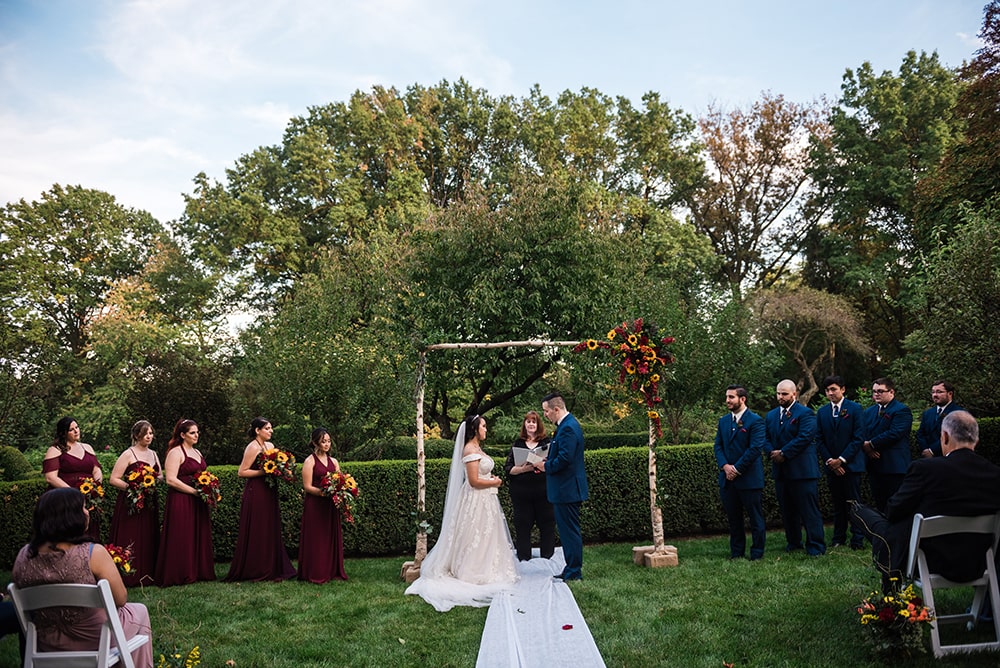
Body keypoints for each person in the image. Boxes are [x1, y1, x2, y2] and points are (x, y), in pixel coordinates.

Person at [851, 411, 1000, 591]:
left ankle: (891, 593)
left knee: (864, 514)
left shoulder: (926, 469)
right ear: (976, 440)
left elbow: (893, 510)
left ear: (944, 437)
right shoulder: (994, 474)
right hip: (979, 562)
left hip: (929, 560)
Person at [12, 488, 153, 668]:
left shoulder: (23, 556)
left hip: (47, 643)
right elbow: (120, 598)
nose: (87, 512)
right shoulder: (92, 553)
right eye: (84, 508)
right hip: (96, 639)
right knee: (139, 611)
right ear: (72, 517)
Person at [405, 414, 519, 611]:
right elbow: (474, 481)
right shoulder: (469, 449)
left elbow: (480, 474)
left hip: (487, 499)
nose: (486, 429)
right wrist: (494, 482)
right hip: (476, 499)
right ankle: (472, 571)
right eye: (484, 426)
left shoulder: (478, 449)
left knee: (487, 536)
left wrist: (491, 478)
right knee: (475, 535)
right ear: (475, 429)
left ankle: (489, 565)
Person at [225, 417, 296, 582]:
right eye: (267, 428)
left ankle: (272, 566)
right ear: (257, 430)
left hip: (269, 490)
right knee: (258, 527)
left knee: (270, 526)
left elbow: (279, 465)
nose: (271, 431)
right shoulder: (252, 447)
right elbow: (242, 472)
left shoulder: (270, 446)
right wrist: (264, 472)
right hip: (256, 491)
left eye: (271, 428)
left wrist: (284, 470)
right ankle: (256, 568)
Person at [765, 379, 824, 556]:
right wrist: (771, 452)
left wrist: (783, 452)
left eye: (784, 393)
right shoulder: (772, 415)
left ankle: (816, 546)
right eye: (778, 393)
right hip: (781, 472)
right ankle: (793, 543)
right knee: (788, 511)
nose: (780, 397)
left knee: (809, 511)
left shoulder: (805, 414)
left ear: (794, 394)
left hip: (802, 471)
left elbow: (805, 437)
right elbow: (764, 438)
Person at [154, 419, 215, 586]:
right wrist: (195, 492)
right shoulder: (175, 453)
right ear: (182, 435)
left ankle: (198, 570)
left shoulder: (197, 453)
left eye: (197, 432)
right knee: (182, 535)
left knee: (197, 533)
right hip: (181, 499)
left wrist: (207, 488)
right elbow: (171, 480)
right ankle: (180, 573)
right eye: (192, 433)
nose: (196, 435)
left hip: (198, 501)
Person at [713, 385, 766, 560]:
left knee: (755, 518)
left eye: (731, 397)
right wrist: (725, 466)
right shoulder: (723, 421)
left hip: (749, 479)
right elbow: (718, 446)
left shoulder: (756, 421)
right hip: (728, 479)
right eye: (727, 397)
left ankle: (757, 553)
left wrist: (736, 469)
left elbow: (755, 449)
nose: (727, 400)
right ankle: (737, 552)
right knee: (734, 519)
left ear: (742, 399)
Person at [539, 392, 589, 581]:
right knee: (568, 531)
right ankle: (571, 568)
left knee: (570, 532)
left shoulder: (568, 427)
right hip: (565, 489)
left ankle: (574, 571)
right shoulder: (566, 426)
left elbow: (565, 459)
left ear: (556, 409)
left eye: (546, 411)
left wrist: (545, 466)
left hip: (567, 489)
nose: (545, 415)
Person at [108, 420, 163, 586]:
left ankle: (149, 572)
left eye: (151, 433)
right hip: (130, 503)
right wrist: (133, 489)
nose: (149, 436)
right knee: (131, 534)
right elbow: (113, 479)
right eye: (145, 433)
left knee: (148, 534)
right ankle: (128, 573)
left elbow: (160, 475)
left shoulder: (153, 454)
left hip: (149, 502)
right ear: (136, 435)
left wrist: (152, 482)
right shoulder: (128, 454)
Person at [816, 376, 866, 550]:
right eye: (828, 390)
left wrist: (842, 460)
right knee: (837, 504)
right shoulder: (822, 412)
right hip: (831, 466)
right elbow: (819, 439)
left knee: (854, 504)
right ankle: (838, 538)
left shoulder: (855, 409)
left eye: (834, 389)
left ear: (843, 389)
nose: (831, 393)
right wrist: (831, 461)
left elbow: (858, 437)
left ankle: (858, 539)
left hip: (851, 466)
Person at [297, 428, 348, 583]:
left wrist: (340, 492)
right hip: (315, 505)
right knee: (317, 538)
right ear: (315, 442)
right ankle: (316, 571)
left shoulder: (334, 462)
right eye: (323, 441)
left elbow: (339, 480)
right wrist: (323, 493)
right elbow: (307, 486)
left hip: (331, 506)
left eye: (328, 441)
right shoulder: (309, 461)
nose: (327, 444)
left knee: (330, 536)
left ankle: (332, 570)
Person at [504, 410, 556, 561]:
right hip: (522, 492)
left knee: (547, 524)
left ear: (538, 424)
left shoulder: (546, 443)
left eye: (534, 421)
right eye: (528, 421)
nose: (531, 424)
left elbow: (552, 463)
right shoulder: (518, 444)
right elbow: (509, 469)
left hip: (543, 491)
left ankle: (547, 557)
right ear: (524, 425)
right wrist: (525, 468)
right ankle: (523, 557)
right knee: (522, 524)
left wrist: (540, 464)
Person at [42, 417, 104, 542]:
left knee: (89, 535)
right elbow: (50, 477)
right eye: (71, 429)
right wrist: (74, 494)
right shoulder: (55, 450)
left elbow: (96, 470)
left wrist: (95, 486)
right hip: (65, 500)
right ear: (63, 433)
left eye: (77, 427)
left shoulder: (87, 447)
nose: (76, 431)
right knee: (68, 536)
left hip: (89, 497)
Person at [862, 378, 914, 512]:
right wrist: (867, 449)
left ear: (891, 392)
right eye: (874, 392)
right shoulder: (868, 412)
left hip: (894, 466)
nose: (876, 394)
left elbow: (895, 433)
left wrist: (871, 444)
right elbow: (862, 432)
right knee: (880, 505)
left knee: (897, 506)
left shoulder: (902, 410)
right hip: (875, 465)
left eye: (880, 391)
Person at [916, 380, 964, 458]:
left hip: (949, 458)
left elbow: (954, 436)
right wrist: (925, 450)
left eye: (939, 392)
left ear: (950, 394)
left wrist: (932, 451)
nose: (935, 395)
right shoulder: (928, 413)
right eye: (933, 392)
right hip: (928, 459)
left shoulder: (959, 413)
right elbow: (920, 434)